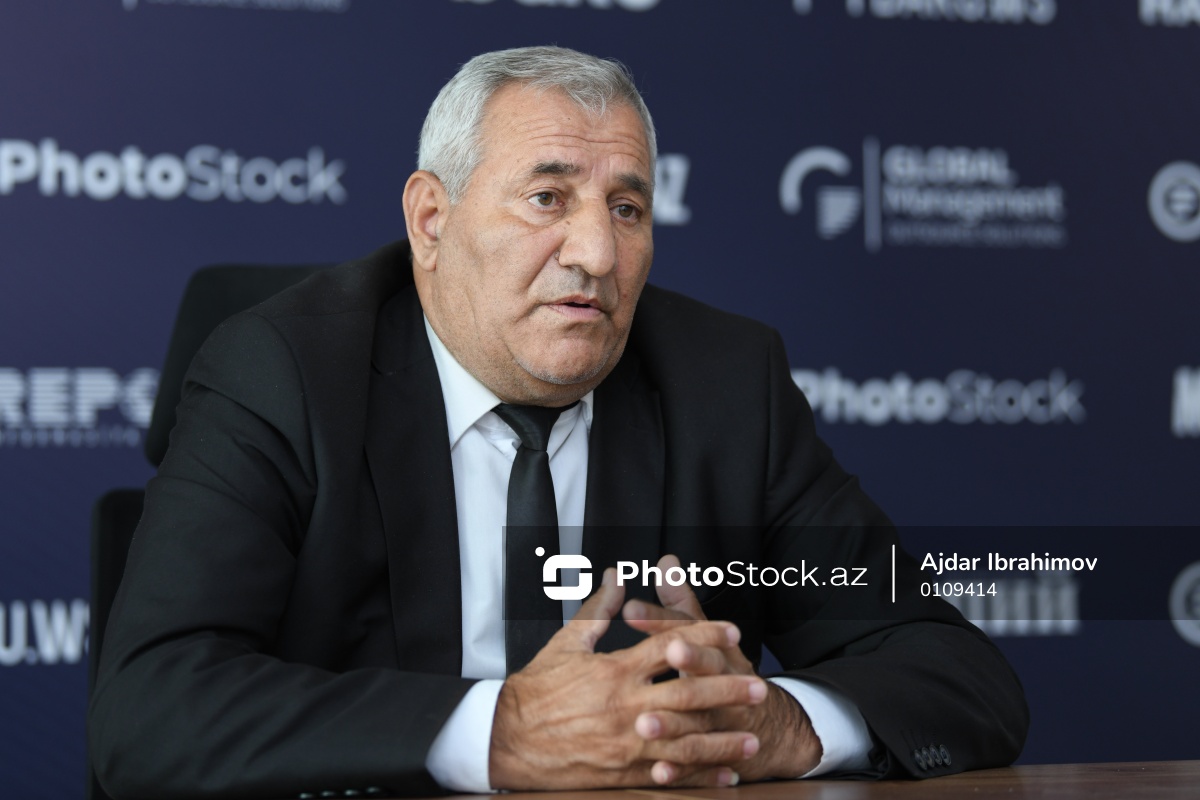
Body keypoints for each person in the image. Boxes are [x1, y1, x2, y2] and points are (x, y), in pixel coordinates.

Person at [89, 46, 1027, 797]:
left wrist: (774, 724)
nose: (597, 253)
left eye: (628, 208)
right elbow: (150, 706)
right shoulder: (284, 372)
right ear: (431, 220)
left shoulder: (724, 384)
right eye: (548, 198)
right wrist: (502, 735)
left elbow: (954, 670)